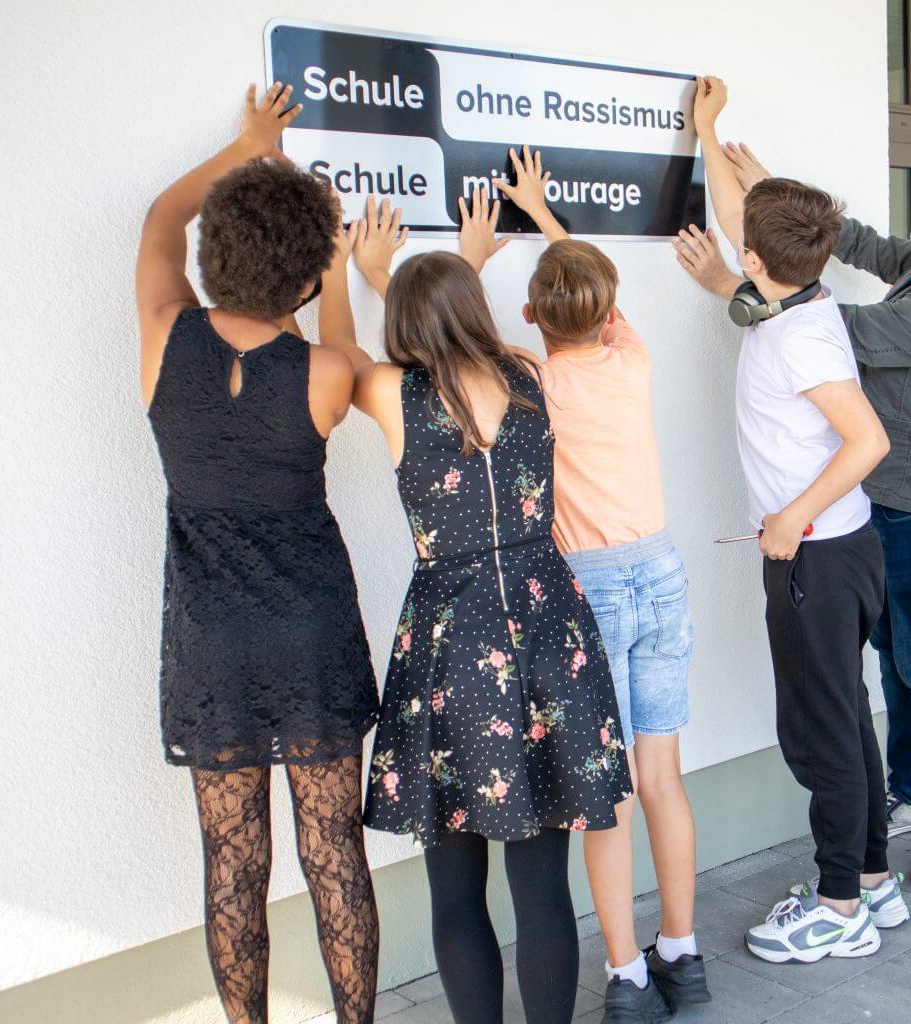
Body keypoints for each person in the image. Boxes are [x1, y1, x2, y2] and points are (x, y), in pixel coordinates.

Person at [317, 186, 633, 1024]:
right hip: (546, 624)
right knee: (543, 888)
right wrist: (463, 267)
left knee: (455, 886)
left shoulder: (393, 396)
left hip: (452, 643)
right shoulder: (529, 375)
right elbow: (466, 340)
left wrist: (354, 270)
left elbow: (340, 351)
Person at [677, 137, 911, 887]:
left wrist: (730, 281)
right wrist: (782, 196)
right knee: (894, 662)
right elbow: (858, 244)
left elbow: (827, 331)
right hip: (877, 499)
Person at [136, 84, 380, 1024]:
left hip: (212, 643)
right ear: (309, 277)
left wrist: (249, 146)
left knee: (234, 865)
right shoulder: (324, 372)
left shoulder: (165, 337)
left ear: (211, 254)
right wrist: (342, 276)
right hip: (311, 632)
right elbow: (345, 351)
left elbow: (162, 213)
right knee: (335, 857)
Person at [680, 76, 906, 966]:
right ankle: (875, 881)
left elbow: (868, 440)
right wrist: (710, 135)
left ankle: (839, 905)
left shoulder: (794, 335)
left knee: (820, 733)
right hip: (844, 551)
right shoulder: (798, 298)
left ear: (756, 260)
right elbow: (757, 226)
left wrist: (788, 520)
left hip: (815, 552)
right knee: (846, 715)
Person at [485, 146, 706, 1023]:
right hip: (662, 569)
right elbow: (595, 297)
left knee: (601, 794)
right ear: (613, 313)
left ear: (533, 313)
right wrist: (547, 219)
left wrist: (483, 251)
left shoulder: (531, 382)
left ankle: (627, 977)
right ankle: (682, 956)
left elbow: (457, 338)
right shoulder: (634, 359)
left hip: (591, 595)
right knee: (662, 777)